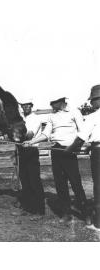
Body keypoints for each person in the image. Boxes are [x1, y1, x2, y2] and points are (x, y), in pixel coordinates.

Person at [23, 96, 89, 223]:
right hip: (56, 150)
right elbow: (46, 134)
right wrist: (31, 142)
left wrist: (76, 147)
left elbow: (83, 131)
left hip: (69, 150)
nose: (51, 105)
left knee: (76, 183)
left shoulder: (74, 112)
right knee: (60, 184)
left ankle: (86, 214)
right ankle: (66, 213)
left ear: (61, 102)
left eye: (53, 103)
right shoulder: (52, 116)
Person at [66, 85, 100, 231]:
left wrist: (69, 150)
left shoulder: (93, 116)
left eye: (92, 101)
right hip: (96, 148)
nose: (91, 104)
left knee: (99, 185)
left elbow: (80, 139)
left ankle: (98, 223)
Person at [13, 99, 45, 215]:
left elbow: (29, 134)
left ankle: (40, 210)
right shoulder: (21, 118)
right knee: (24, 181)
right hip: (21, 151)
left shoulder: (35, 118)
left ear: (31, 106)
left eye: (28, 105)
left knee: (34, 180)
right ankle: (27, 207)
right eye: (23, 105)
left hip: (31, 150)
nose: (25, 107)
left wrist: (15, 136)